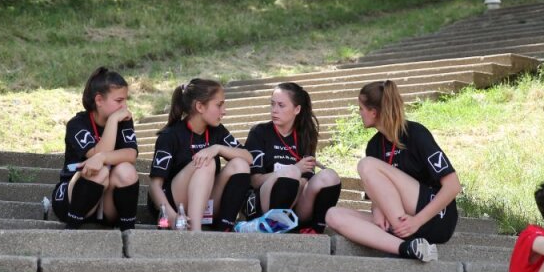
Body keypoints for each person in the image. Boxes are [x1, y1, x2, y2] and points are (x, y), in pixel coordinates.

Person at [325, 80, 461, 262]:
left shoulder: (415, 133)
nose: (359, 113)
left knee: (366, 165)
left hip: (435, 218)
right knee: (333, 215)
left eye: (360, 108)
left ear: (373, 112)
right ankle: (406, 248)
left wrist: (417, 221)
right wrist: (377, 210)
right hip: (406, 223)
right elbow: (379, 195)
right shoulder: (374, 145)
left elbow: (453, 186)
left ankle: (402, 232)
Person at [147, 78, 252, 232]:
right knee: (206, 162)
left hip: (206, 203)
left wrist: (217, 148)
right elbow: (154, 186)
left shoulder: (217, 130)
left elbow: (248, 157)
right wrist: (171, 215)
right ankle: (195, 232)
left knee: (240, 164)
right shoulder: (170, 136)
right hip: (174, 207)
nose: (224, 111)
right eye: (219, 105)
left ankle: (225, 227)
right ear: (200, 106)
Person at [243, 82, 342, 234]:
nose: (274, 110)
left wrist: (298, 177)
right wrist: (294, 169)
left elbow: (307, 179)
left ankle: (315, 228)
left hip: (296, 204)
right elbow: (255, 181)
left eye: (281, 105)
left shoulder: (305, 135)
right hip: (262, 204)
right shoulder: (260, 132)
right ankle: (275, 226)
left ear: (297, 109)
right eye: (273, 104)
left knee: (330, 176)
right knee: (291, 173)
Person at [50, 67, 140, 230]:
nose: (124, 106)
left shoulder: (124, 121)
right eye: (119, 101)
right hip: (72, 201)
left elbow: (131, 154)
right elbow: (96, 155)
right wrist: (112, 121)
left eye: (126, 100)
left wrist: (104, 158)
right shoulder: (77, 124)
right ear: (99, 100)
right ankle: (71, 230)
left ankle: (128, 232)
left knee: (126, 170)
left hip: (106, 204)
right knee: (100, 171)